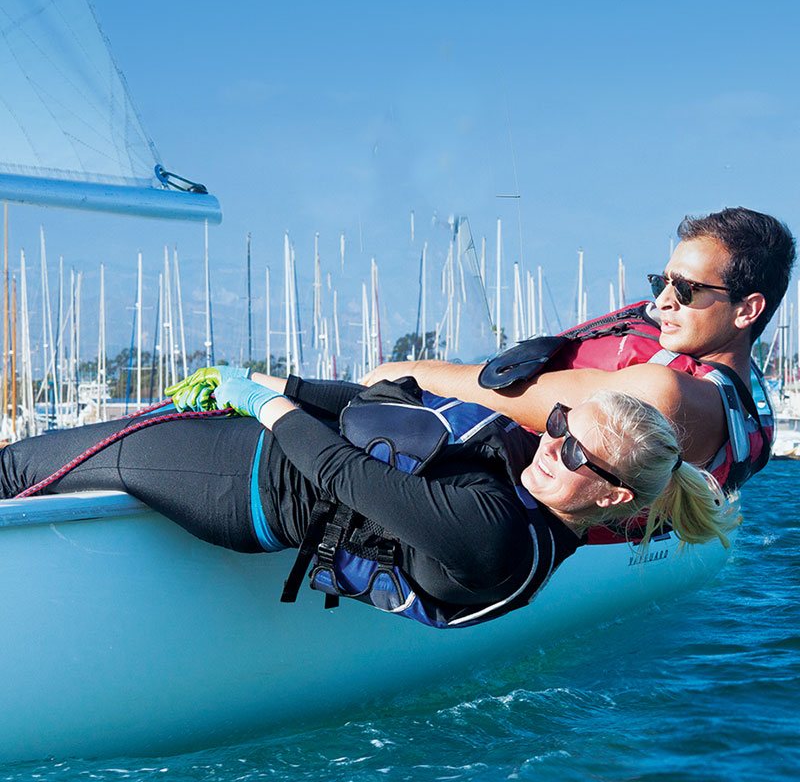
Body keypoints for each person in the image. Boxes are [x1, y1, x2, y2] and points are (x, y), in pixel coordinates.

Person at [0, 368, 735, 629]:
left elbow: (346, 477)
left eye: (575, 451)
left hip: (246, 479)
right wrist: (283, 386)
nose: (552, 444)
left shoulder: (497, 536)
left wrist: (258, 402)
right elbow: (403, 405)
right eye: (561, 425)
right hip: (262, 448)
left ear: (610, 493)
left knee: (14, 467)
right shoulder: (538, 491)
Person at [362, 207, 796, 494]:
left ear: (747, 311)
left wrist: (392, 372)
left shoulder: (667, 394)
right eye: (660, 282)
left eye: (686, 289)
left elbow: (500, 392)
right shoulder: (736, 395)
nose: (663, 301)